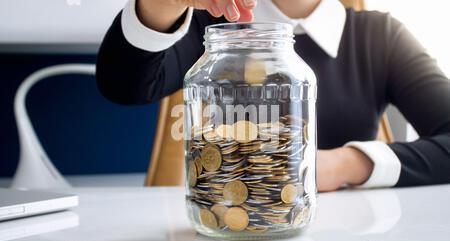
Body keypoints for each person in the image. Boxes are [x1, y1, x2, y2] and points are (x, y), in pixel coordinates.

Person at [96, 0, 450, 191]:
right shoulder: (210, 27)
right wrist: (162, 5)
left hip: (346, 232)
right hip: (222, 226)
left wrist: (344, 165)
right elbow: (124, 86)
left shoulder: (380, 36)